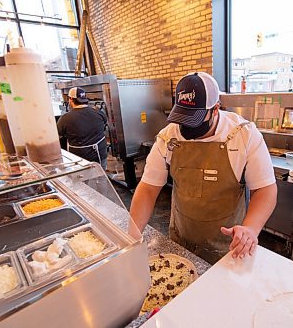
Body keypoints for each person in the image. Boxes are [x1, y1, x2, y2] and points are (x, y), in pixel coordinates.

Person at [129, 72, 277, 264]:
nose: (186, 128)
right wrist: (131, 238)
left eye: (194, 120)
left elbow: (265, 189)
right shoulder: (168, 136)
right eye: (182, 118)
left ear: (215, 109)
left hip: (227, 246)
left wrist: (250, 229)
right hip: (181, 239)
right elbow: (148, 188)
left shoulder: (244, 135)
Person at [57, 87, 108, 170]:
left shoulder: (65, 118)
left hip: (80, 160)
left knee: (84, 182)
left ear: (71, 100)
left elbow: (58, 135)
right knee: (102, 179)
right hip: (100, 155)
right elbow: (104, 125)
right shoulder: (98, 112)